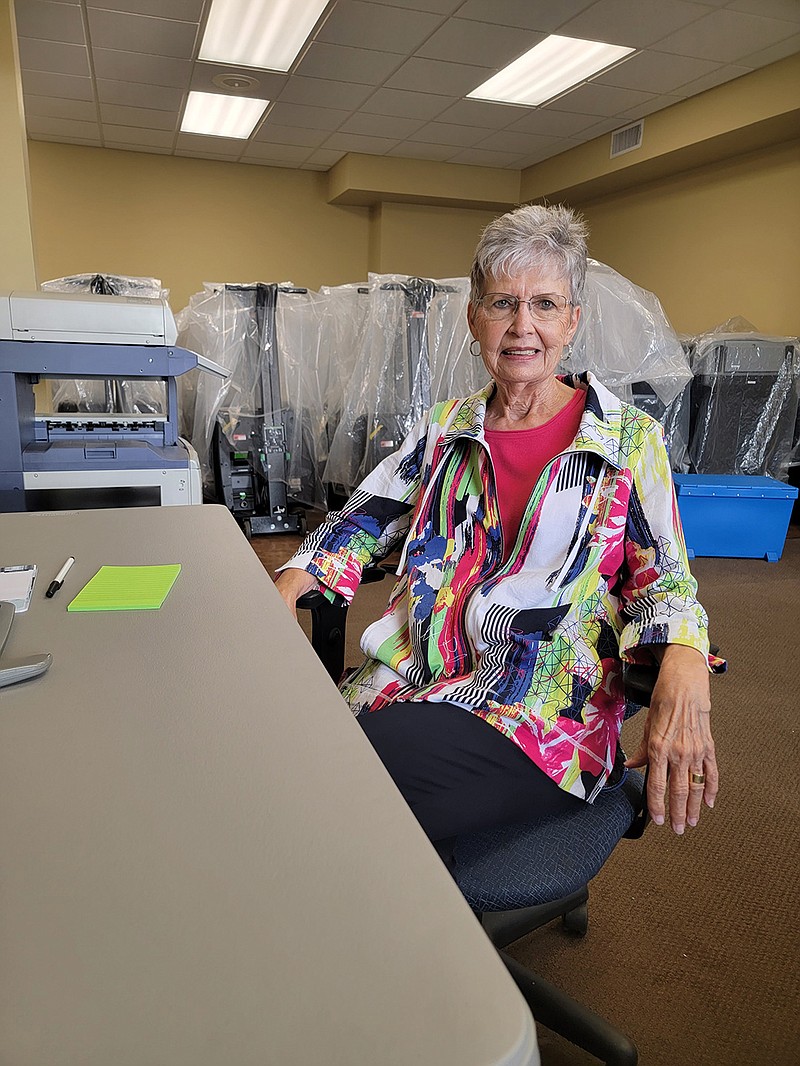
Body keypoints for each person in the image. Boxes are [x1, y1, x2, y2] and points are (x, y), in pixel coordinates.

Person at [276, 203, 720, 866]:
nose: (523, 326)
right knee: (283, 758)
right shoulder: (445, 427)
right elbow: (360, 518)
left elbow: (667, 582)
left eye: (545, 304)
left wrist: (686, 666)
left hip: (536, 709)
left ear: (573, 319)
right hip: (416, 675)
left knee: (339, 798)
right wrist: (295, 577)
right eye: (503, 302)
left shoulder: (628, 440)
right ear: (473, 316)